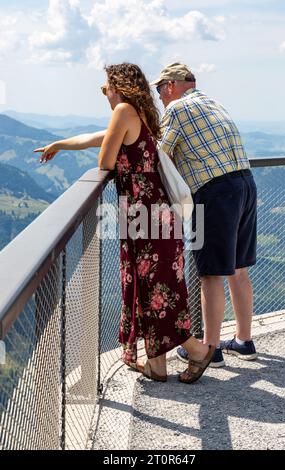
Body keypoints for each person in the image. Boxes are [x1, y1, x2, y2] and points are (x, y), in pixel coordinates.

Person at [34, 62, 217, 384]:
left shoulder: (123, 110)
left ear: (117, 86)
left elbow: (104, 159)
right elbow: (99, 137)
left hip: (146, 216)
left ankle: (198, 351)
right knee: (153, 289)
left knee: (159, 290)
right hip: (151, 215)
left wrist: (108, 149)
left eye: (106, 88)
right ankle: (157, 366)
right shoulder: (141, 114)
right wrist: (60, 145)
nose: (105, 94)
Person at [150, 62, 258, 369]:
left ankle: (210, 349)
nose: (160, 98)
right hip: (245, 184)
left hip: (214, 192)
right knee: (238, 268)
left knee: (210, 273)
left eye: (160, 90)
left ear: (171, 85)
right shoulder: (212, 102)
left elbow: (161, 156)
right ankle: (243, 340)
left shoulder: (177, 109)